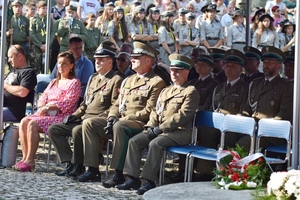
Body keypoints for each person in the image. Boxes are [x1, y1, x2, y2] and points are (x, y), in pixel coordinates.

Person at [115, 54, 199, 194]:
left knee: (156, 143)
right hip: (160, 129)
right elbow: (155, 110)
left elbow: (182, 116)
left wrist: (160, 128)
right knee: (135, 141)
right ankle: (132, 177)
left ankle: (149, 181)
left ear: (187, 72)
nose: (174, 73)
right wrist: (151, 126)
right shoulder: (166, 90)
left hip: (180, 132)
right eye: (172, 70)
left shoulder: (191, 92)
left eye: (178, 70)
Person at [49, 45, 122, 180]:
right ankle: (70, 163)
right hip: (85, 119)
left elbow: (115, 106)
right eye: (96, 60)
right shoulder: (93, 78)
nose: (97, 62)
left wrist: (98, 118)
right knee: (54, 129)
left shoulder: (115, 80)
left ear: (110, 62)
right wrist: (74, 115)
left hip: (101, 121)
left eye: (101, 60)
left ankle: (90, 169)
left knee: (78, 130)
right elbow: (85, 104)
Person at [102, 41, 166, 188]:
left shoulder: (156, 82)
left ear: (148, 61)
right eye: (132, 57)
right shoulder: (128, 80)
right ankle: (125, 175)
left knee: (120, 126)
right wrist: (112, 116)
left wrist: (122, 119)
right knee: (116, 125)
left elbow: (149, 110)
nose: (132, 60)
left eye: (136, 58)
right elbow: (118, 103)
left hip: (142, 123)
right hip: (123, 121)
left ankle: (119, 174)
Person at [13, 51, 81, 172]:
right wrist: (42, 107)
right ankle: (24, 158)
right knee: (24, 121)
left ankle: (30, 160)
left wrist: (48, 107)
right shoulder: (53, 82)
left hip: (63, 117)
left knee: (33, 124)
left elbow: (68, 102)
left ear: (71, 66)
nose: (61, 66)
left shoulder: (74, 83)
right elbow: (43, 97)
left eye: (64, 63)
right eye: (59, 63)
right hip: (46, 115)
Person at [195, 49, 248, 180]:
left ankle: (227, 172)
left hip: (235, 126)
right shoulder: (219, 88)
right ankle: (206, 172)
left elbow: (244, 110)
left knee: (229, 136)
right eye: (227, 65)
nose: (229, 69)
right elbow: (212, 107)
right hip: (218, 124)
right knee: (207, 131)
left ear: (241, 69)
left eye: (233, 66)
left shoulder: (245, 88)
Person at [239, 46, 293, 152]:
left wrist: (262, 127)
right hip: (252, 129)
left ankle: (239, 168)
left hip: (272, 133)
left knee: (244, 143)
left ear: (279, 66)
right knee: (229, 137)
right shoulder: (255, 83)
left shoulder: (286, 86)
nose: (266, 66)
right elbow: (247, 108)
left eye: (270, 63)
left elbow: (284, 114)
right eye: (265, 63)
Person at [4, 45, 37, 122]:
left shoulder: (29, 72)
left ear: (19, 56)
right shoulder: (13, 70)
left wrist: (5, 85)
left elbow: (23, 92)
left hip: (13, 110)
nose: (9, 60)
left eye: (11, 57)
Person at [29, 1, 53, 74]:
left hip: (47, 46)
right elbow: (32, 33)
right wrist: (40, 45)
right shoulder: (34, 20)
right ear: (38, 9)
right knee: (35, 66)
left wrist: (47, 44)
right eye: (43, 8)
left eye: (46, 8)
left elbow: (52, 33)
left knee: (45, 66)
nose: (45, 10)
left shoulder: (49, 20)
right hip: (37, 47)